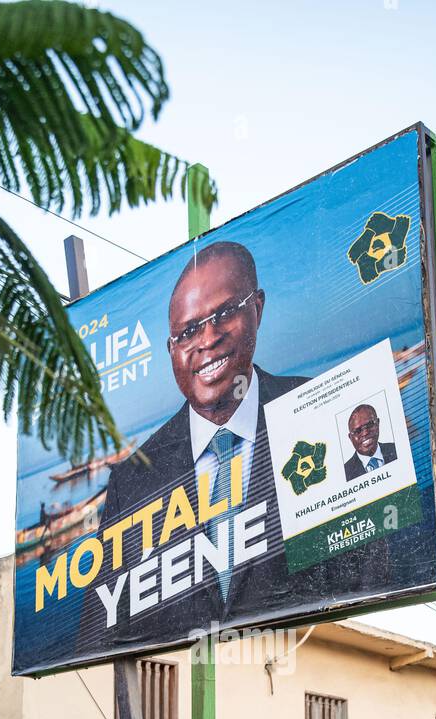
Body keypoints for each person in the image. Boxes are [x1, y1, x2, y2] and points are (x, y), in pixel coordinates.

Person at [76, 240, 307, 656]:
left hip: (288, 673)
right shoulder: (133, 479)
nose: (207, 339)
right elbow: (97, 634)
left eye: (223, 314)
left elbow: (375, 566)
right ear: (171, 350)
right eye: (187, 331)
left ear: (257, 308)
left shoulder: (316, 413)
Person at [343, 403, 398, 481]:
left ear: (378, 423)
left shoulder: (397, 449)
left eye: (370, 425)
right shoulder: (345, 473)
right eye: (358, 431)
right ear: (350, 438)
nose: (365, 433)